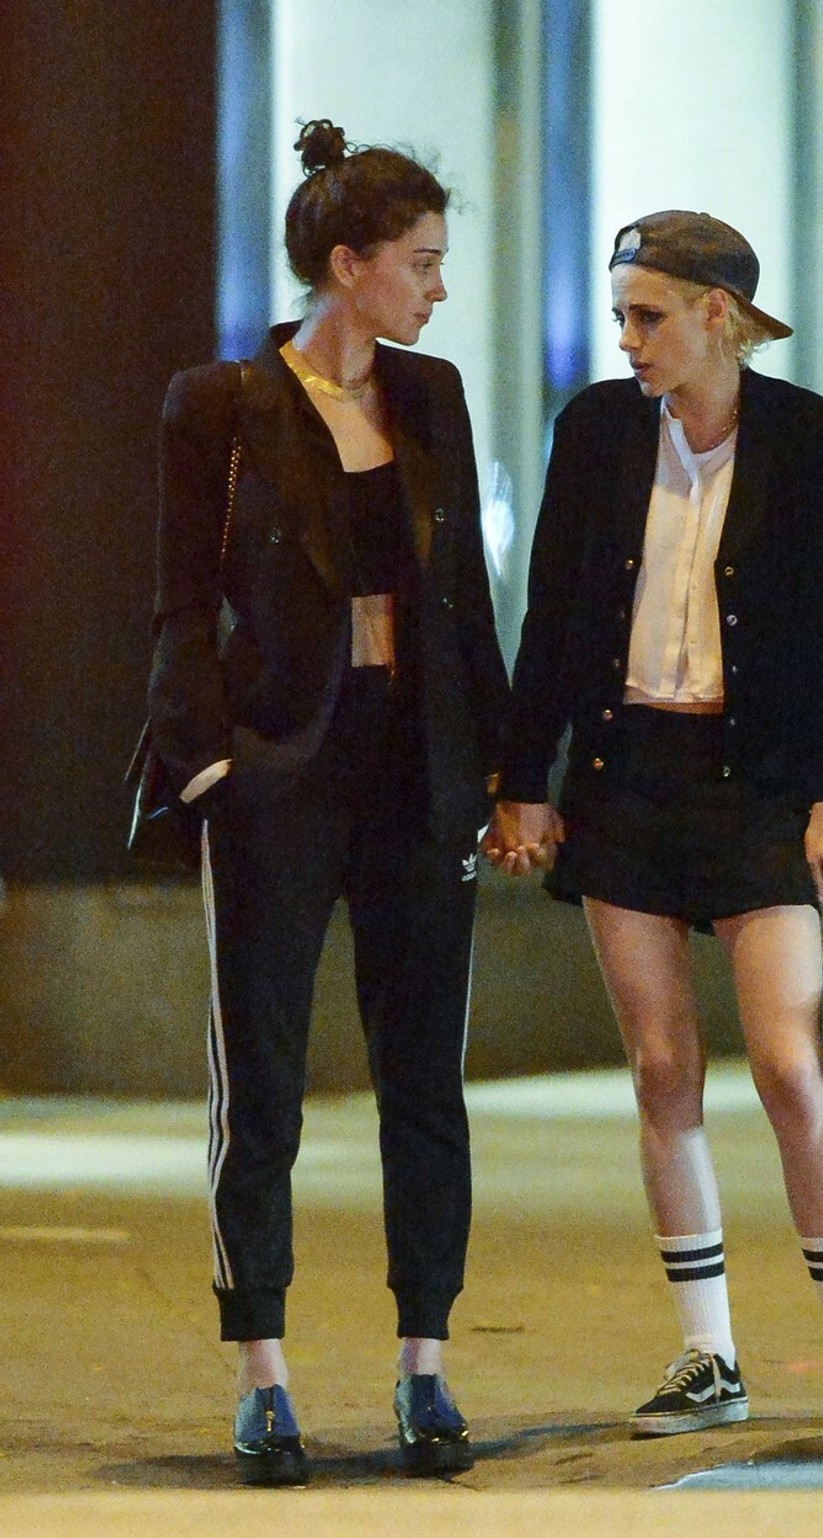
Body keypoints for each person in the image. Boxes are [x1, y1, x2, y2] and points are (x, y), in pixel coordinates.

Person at [486, 210, 823, 1434]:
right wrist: (525, 777)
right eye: (620, 316)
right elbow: (552, 615)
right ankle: (707, 1354)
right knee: (662, 1065)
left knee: (788, 1062)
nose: (626, 339)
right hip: (623, 772)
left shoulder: (810, 440)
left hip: (756, 781)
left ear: (716, 315)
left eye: (647, 317)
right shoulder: (594, 431)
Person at [147, 119, 508, 1483]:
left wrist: (506, 771)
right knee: (265, 1083)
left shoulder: (434, 396)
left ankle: (425, 1366)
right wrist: (214, 764)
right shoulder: (221, 405)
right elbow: (179, 605)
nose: (438, 288)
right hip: (281, 778)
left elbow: (466, 597)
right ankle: (263, 1374)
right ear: (348, 266)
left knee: (426, 1082)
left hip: (417, 771)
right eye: (420, 263)